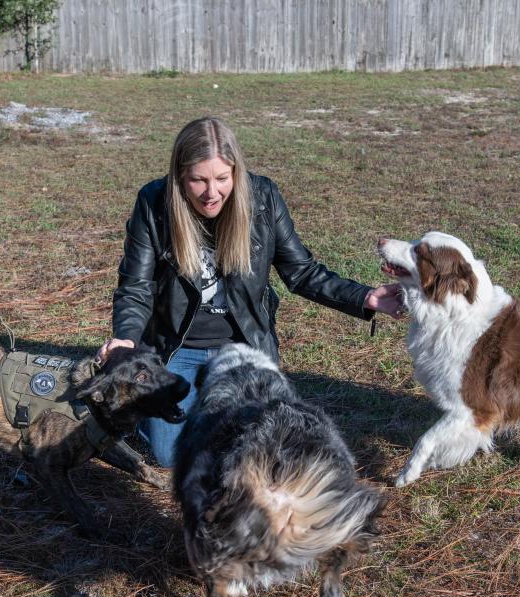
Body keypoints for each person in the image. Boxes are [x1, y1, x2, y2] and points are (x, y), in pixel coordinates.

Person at [97, 117, 401, 467]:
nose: (211, 193)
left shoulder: (264, 198)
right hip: (177, 347)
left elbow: (301, 272)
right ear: (181, 176)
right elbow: (136, 287)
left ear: (236, 173)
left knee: (257, 445)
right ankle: (158, 415)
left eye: (222, 179)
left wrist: (365, 298)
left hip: (244, 345)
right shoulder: (153, 203)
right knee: (170, 457)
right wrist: (125, 340)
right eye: (198, 180)